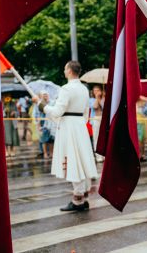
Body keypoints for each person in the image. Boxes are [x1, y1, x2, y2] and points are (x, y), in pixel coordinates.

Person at [34, 61, 98, 212]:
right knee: (81, 162)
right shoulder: (83, 88)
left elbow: (57, 112)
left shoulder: (66, 88)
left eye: (65, 69)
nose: (64, 71)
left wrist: (40, 104)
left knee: (74, 162)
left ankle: (78, 201)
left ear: (69, 71)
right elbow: (85, 112)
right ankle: (82, 197)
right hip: (79, 126)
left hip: (69, 127)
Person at [34, 91, 55, 159]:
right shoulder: (39, 104)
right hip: (42, 122)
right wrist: (38, 124)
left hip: (51, 122)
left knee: (51, 139)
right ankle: (45, 153)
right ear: (41, 96)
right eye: (44, 95)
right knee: (44, 140)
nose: (45, 96)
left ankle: (51, 153)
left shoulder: (52, 103)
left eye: (46, 95)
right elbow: (36, 114)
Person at [90, 84, 105, 162]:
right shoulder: (91, 100)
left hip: (103, 119)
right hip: (95, 119)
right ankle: (98, 156)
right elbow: (95, 106)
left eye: (97, 90)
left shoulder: (104, 98)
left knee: (104, 137)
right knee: (96, 137)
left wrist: (100, 98)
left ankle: (104, 155)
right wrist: (97, 98)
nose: (96, 92)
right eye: (94, 90)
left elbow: (104, 107)